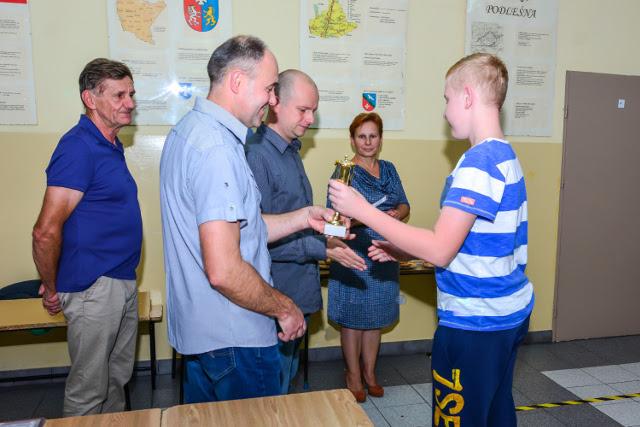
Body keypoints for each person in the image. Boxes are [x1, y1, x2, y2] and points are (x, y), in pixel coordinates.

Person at [329, 53, 534, 426]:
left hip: (475, 322)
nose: (445, 111)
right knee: (495, 413)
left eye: (447, 99)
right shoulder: (504, 155)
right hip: (505, 314)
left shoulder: (478, 163)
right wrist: (402, 251)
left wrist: (361, 209)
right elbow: (465, 244)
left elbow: (440, 248)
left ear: (467, 96)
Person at [159, 35, 334, 404]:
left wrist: (303, 217)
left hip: (202, 337)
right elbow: (224, 269)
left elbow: (243, 229)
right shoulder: (218, 150)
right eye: (269, 89)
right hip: (235, 338)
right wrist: (284, 307)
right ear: (238, 81)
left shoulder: (188, 132)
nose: (272, 100)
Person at [32, 58, 142, 416]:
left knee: (115, 382)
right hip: (94, 287)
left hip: (120, 280)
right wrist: (52, 286)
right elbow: (45, 231)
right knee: (88, 390)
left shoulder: (109, 145)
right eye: (119, 95)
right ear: (90, 99)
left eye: (131, 94)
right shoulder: (78, 147)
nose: (130, 102)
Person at [246, 69, 366, 394]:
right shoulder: (258, 156)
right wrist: (323, 249)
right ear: (275, 103)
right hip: (275, 296)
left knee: (286, 389)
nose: (311, 119)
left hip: (297, 292)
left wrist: (332, 231)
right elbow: (254, 238)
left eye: (314, 110)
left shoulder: (290, 150)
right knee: (270, 398)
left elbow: (296, 219)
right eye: (303, 110)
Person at [327, 112, 410, 402]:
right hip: (353, 254)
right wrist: (369, 216)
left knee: (376, 318)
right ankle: (353, 375)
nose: (367, 142)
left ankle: (370, 373)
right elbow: (335, 222)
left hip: (384, 254)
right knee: (352, 319)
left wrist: (396, 214)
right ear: (352, 140)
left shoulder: (389, 169)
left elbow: (404, 204)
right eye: (361, 136)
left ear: (380, 139)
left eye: (373, 136)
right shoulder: (344, 173)